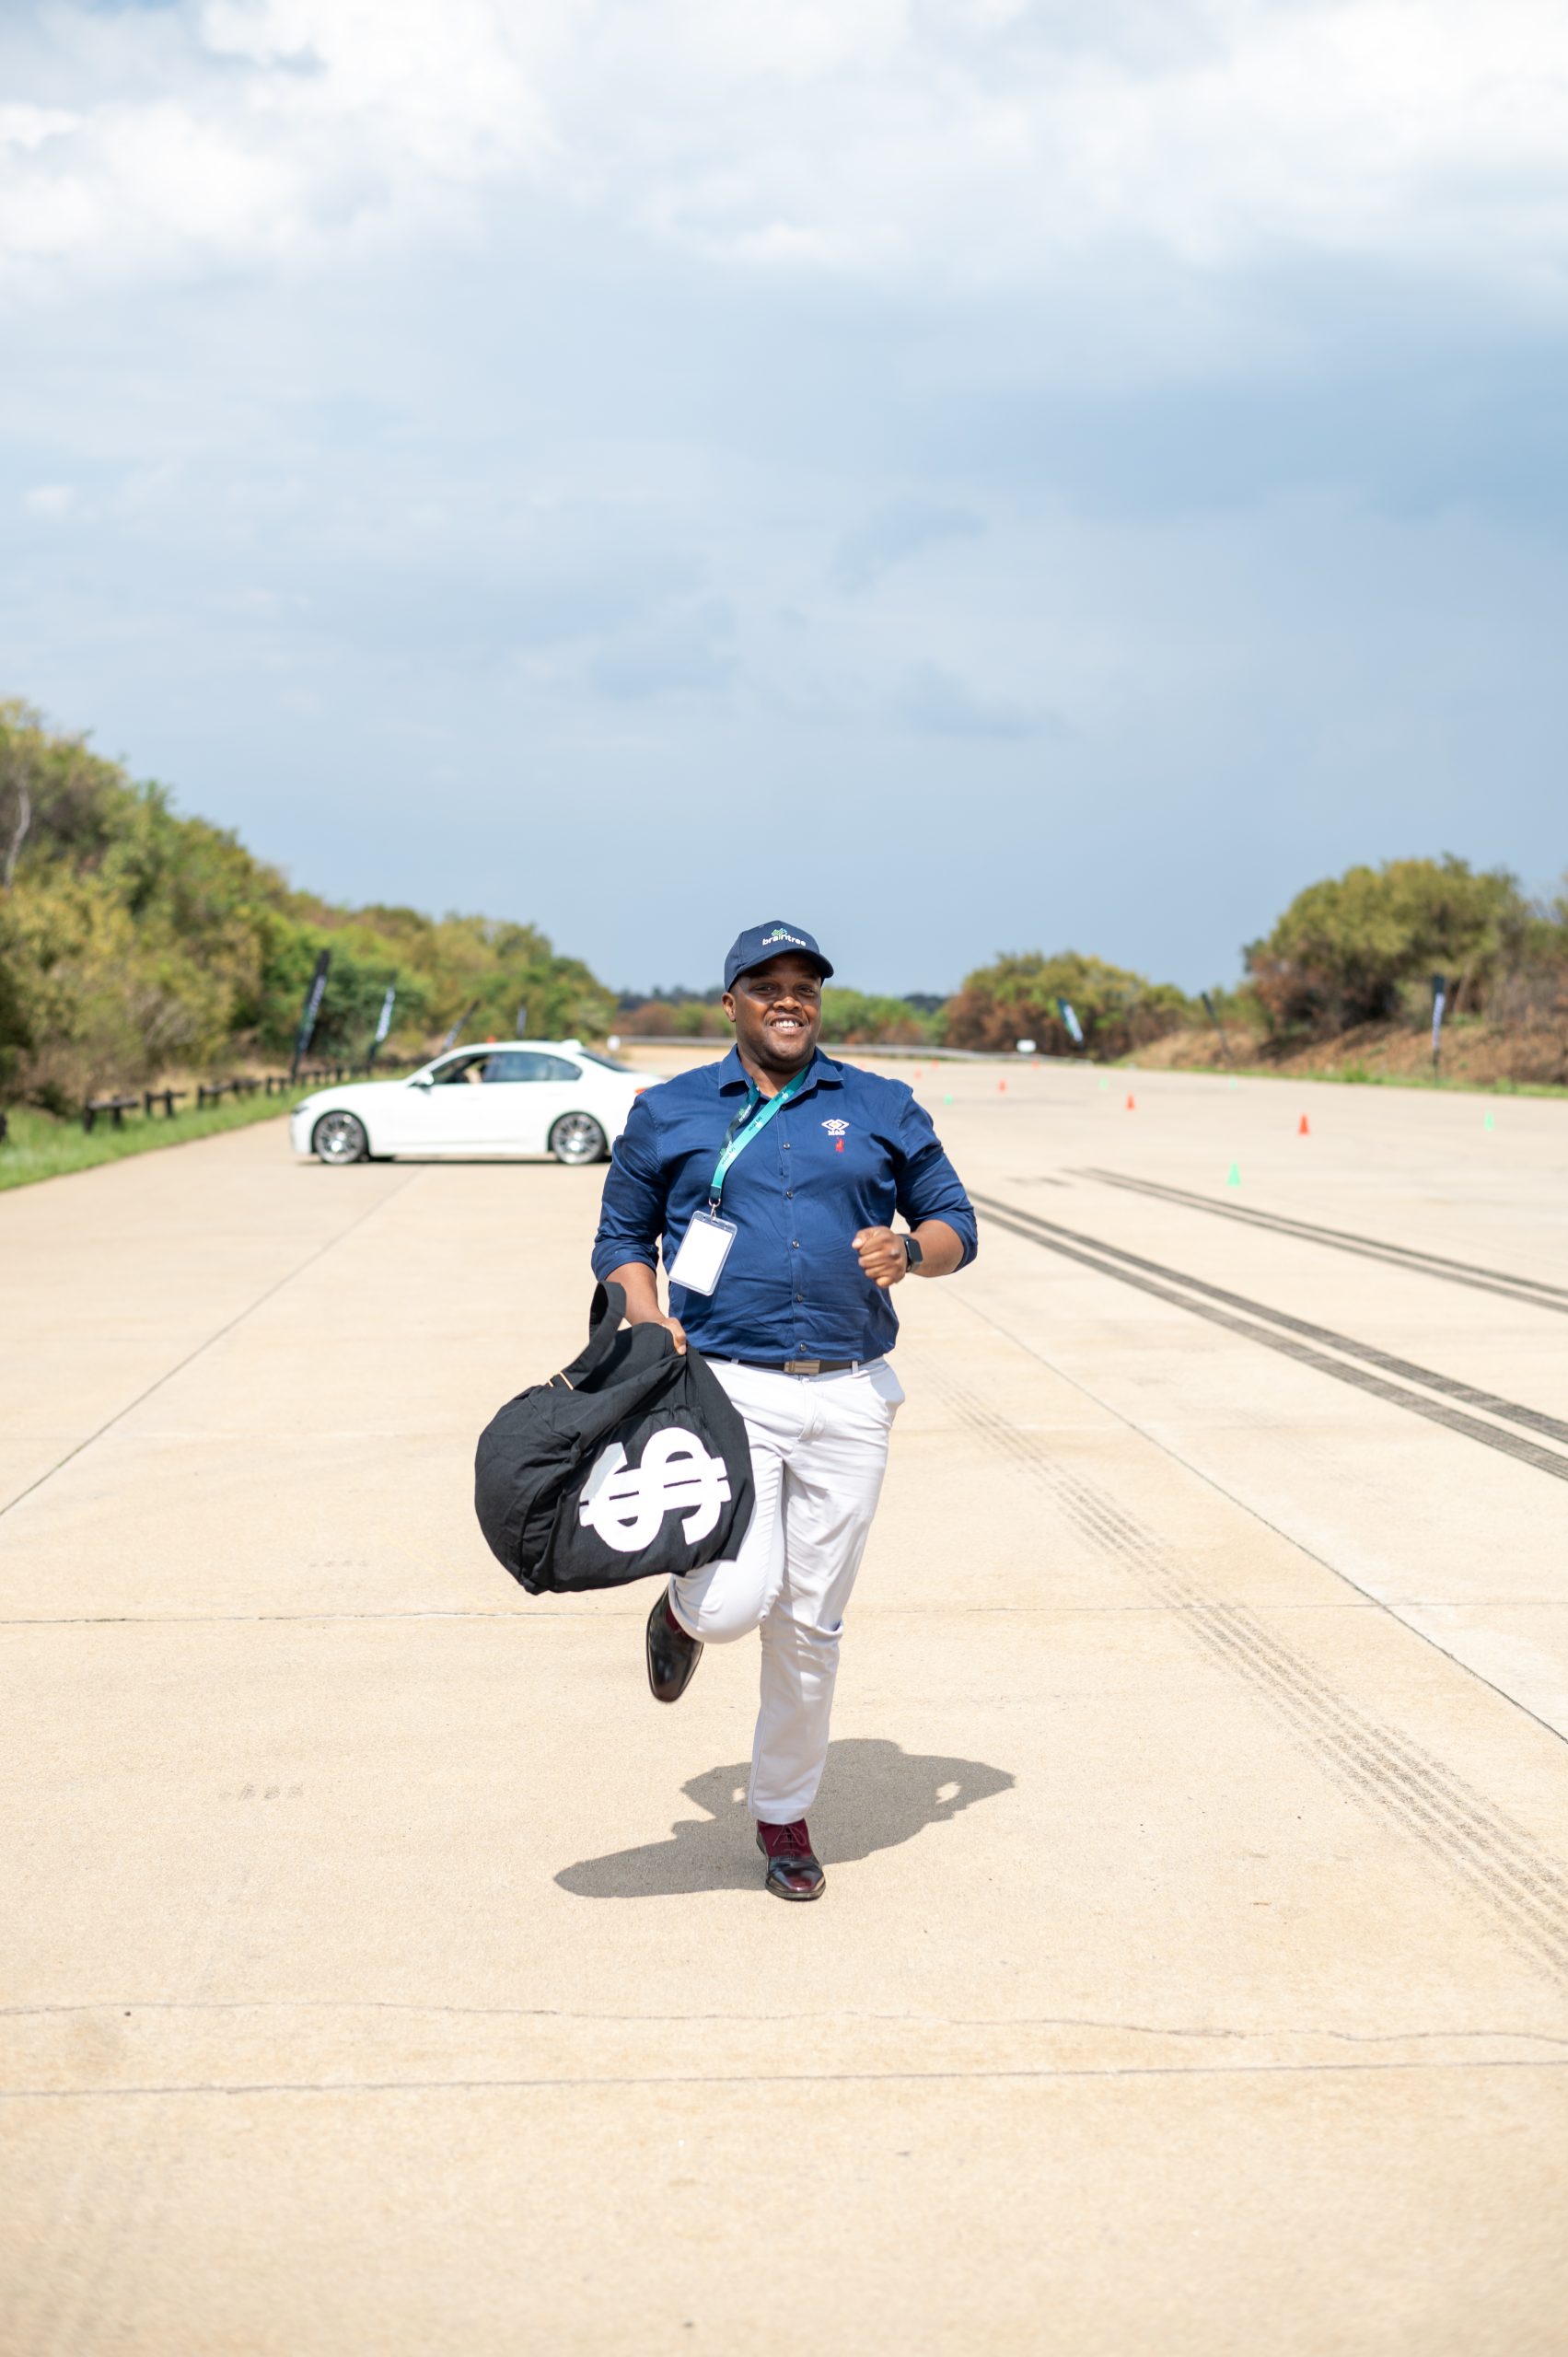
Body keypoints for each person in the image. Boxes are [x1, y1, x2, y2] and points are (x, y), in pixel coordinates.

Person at [591, 922, 977, 1900]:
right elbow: (620, 1239)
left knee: (810, 1623)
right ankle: (681, 1614)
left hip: (850, 1392)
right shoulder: (670, 1109)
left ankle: (781, 1816)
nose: (788, 999)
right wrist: (647, 1323)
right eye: (766, 985)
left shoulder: (879, 1104)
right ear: (730, 1004)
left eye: (804, 984)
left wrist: (913, 1252)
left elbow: (955, 1222)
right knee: (730, 1602)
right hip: (727, 1385)